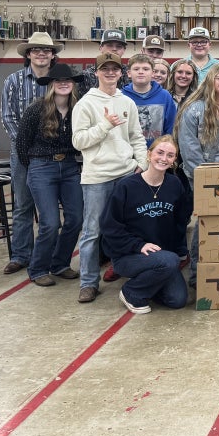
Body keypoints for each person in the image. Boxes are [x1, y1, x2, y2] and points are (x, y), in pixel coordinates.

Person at [71, 51, 148, 304]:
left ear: (121, 73)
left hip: (126, 173)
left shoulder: (127, 102)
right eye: (105, 69)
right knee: (92, 231)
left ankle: (125, 271)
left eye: (115, 69)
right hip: (98, 176)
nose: (110, 73)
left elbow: (136, 136)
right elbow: (78, 141)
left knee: (126, 228)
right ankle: (88, 282)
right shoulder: (85, 104)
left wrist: (141, 163)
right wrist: (105, 125)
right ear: (97, 73)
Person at [101, 135, 192, 314]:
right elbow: (109, 226)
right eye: (160, 152)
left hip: (162, 256)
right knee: (169, 261)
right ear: (149, 155)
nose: (163, 158)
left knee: (178, 299)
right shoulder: (126, 186)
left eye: (170, 155)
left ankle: (150, 284)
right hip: (128, 255)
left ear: (174, 160)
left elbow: (180, 222)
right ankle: (131, 291)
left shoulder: (174, 185)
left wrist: (181, 251)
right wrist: (139, 245)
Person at [14, 62, 84, 287]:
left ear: (73, 84)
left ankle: (60, 263)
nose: (63, 84)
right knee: (50, 222)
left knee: (75, 218)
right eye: (58, 81)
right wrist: (36, 167)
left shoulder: (79, 109)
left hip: (71, 167)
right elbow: (22, 145)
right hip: (42, 167)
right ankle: (38, 268)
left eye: (67, 81)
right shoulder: (37, 109)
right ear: (51, 84)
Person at [0, 31, 61, 276]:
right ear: (28, 54)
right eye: (36, 50)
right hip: (24, 153)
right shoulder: (13, 81)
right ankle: (21, 255)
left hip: (53, 152)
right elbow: (7, 116)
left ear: (53, 55)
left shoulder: (60, 81)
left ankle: (50, 257)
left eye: (46, 50)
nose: (41, 54)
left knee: (52, 209)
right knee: (23, 204)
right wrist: (25, 145)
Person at [175, 62, 219, 288]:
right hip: (202, 174)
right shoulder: (194, 108)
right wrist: (206, 180)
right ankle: (197, 274)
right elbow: (189, 150)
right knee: (205, 222)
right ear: (211, 79)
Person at [122, 54, 177, 147]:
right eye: (136, 69)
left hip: (157, 153)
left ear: (153, 73)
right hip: (128, 153)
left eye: (145, 69)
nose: (141, 72)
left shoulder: (165, 96)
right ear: (129, 73)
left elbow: (171, 128)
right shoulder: (121, 96)